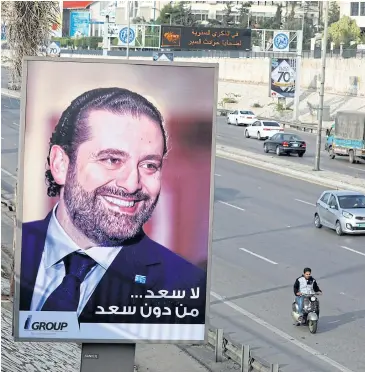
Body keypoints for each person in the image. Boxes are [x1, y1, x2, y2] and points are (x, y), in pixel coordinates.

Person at [20, 87, 206, 324]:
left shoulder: (184, 285)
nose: (131, 185)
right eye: (112, 160)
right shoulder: (18, 247)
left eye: (149, 165)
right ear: (60, 165)